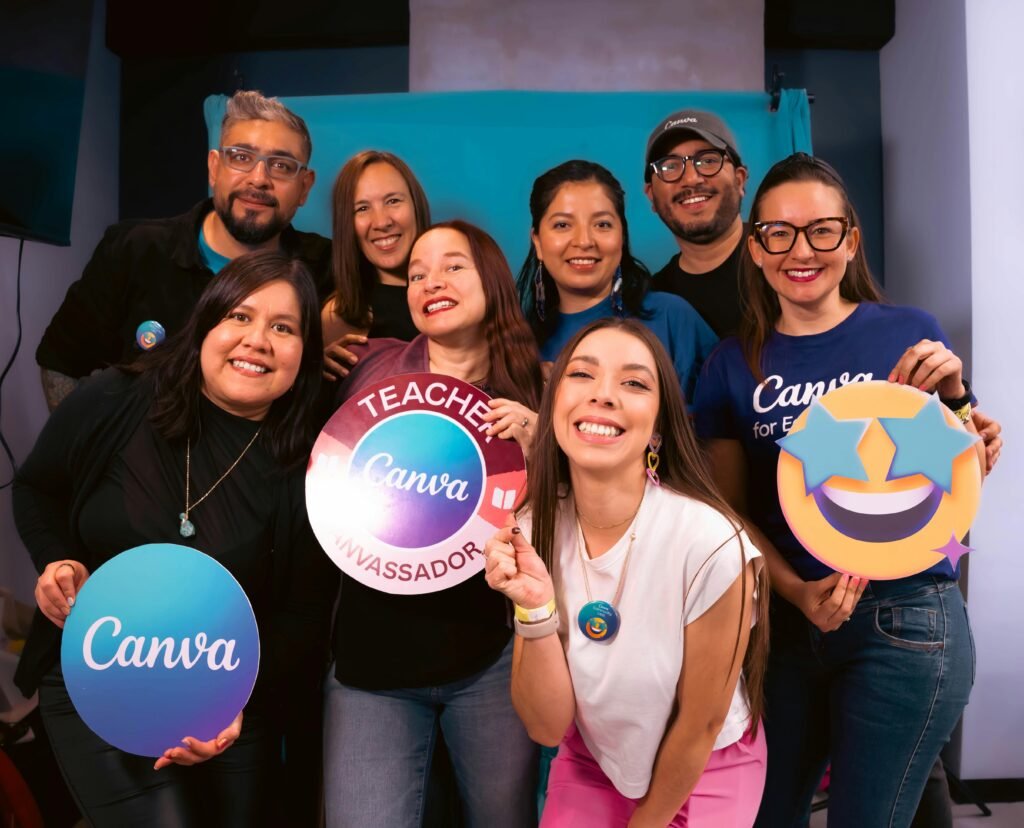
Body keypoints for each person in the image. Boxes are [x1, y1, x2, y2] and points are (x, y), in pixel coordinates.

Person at [693, 153, 982, 827]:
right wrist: (797, 593)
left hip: (906, 616)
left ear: (850, 240)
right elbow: (728, 511)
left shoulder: (909, 333)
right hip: (789, 627)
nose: (802, 251)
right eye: (779, 233)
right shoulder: (731, 363)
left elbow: (963, 477)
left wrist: (960, 402)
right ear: (756, 247)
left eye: (822, 230)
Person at [14, 250, 338, 826]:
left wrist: (236, 702)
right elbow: (37, 488)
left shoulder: (309, 468)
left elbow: (304, 618)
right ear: (206, 325)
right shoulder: (115, 399)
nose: (257, 339)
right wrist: (55, 560)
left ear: (303, 355)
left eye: (283, 327)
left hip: (232, 703)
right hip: (97, 680)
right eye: (239, 316)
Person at [484, 317, 768, 827]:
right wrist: (535, 606)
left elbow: (700, 724)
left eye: (634, 382)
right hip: (596, 761)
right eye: (582, 375)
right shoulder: (531, 529)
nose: (604, 395)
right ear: (552, 409)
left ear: (659, 426)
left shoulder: (711, 540)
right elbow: (547, 727)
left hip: (706, 766)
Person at [322, 220, 543, 827]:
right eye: (417, 273)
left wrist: (543, 450)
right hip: (372, 666)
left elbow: (616, 498)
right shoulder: (365, 366)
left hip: (494, 661)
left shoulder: (541, 389)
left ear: (492, 282)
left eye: (452, 266)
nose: (430, 281)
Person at [36, 90, 332, 411]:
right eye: (241, 157)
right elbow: (61, 362)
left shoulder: (327, 267)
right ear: (214, 168)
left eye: (281, 165)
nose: (259, 179)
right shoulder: (134, 250)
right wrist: (85, 456)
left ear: (304, 187)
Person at [517, 159, 716, 403]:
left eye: (602, 224)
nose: (584, 241)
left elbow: (733, 425)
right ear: (537, 241)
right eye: (562, 225)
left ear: (621, 236)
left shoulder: (671, 318)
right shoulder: (519, 345)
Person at [321, 150, 432, 380]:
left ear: (416, 205)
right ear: (347, 224)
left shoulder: (459, 291)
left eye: (393, 201)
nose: (382, 222)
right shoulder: (343, 314)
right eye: (362, 208)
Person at [643, 109, 749, 338]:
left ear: (739, 180)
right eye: (670, 166)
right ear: (651, 195)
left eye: (709, 160)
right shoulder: (652, 304)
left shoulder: (787, 257)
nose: (691, 178)